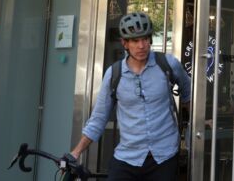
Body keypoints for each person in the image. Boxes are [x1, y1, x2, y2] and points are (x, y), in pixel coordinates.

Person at [70, 12, 191, 180]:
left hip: (164, 156)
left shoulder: (168, 64)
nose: (141, 45)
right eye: (135, 41)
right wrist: (75, 152)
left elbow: (188, 92)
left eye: (145, 39)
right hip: (128, 157)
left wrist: (194, 125)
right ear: (124, 43)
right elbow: (98, 118)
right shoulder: (114, 74)